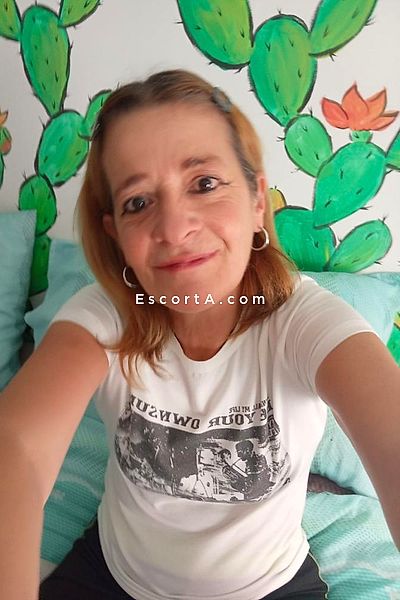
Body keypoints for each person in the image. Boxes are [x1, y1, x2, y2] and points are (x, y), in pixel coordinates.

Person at [0, 69, 399, 600]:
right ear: (116, 235)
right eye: (138, 202)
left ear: (256, 201)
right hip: (113, 577)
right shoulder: (105, 315)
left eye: (205, 184)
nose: (174, 227)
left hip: (269, 587)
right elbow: (18, 447)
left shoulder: (304, 321)